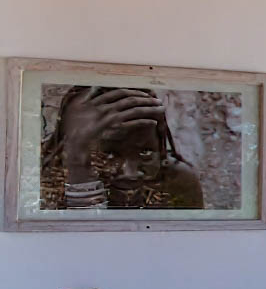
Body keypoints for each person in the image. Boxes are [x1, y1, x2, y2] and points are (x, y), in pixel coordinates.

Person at [40, 86, 203, 210]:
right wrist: (79, 177)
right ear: (67, 153)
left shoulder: (176, 182)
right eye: (108, 155)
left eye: (145, 153)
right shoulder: (38, 183)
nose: (130, 173)